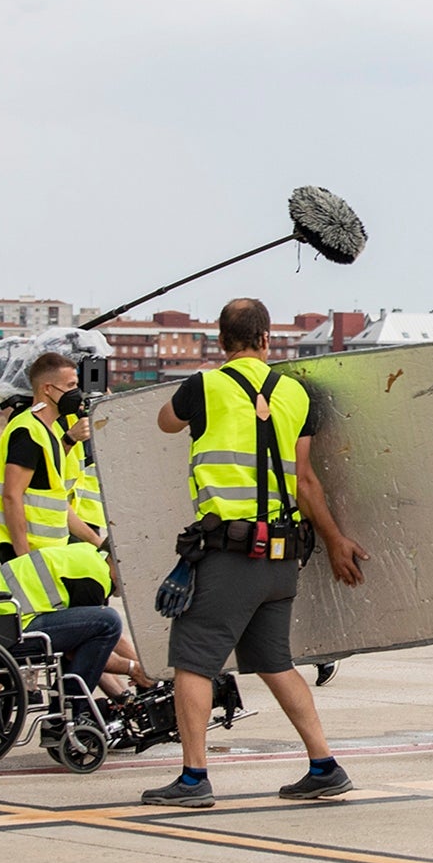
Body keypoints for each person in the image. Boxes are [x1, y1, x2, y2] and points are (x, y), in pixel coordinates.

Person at [141, 297, 369, 808]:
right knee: (274, 661)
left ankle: (194, 778)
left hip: (230, 553)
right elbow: (306, 480)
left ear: (222, 342)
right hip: (283, 558)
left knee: (193, 662)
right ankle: (324, 765)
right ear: (267, 340)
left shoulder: (204, 385)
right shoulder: (296, 393)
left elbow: (164, 422)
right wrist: (335, 539)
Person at [0, 542, 123, 733]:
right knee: (109, 620)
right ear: (119, 561)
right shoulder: (93, 580)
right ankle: (65, 719)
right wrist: (133, 670)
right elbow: (78, 654)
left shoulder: (88, 555)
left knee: (104, 623)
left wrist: (131, 684)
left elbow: (100, 647)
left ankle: (67, 715)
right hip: (5, 629)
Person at [0, 352, 104, 563]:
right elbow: (12, 496)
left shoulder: (49, 432)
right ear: (47, 389)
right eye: (70, 386)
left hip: (50, 551)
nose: (76, 393)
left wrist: (98, 543)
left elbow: (58, 504)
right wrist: (24, 558)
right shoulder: (28, 431)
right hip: (30, 552)